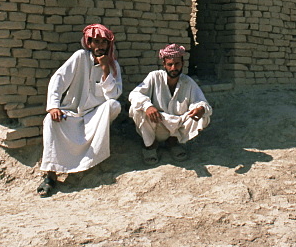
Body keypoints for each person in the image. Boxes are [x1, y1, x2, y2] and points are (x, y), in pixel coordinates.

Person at [38, 24, 122, 197]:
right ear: (89, 43)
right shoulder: (80, 57)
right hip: (73, 112)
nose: (100, 46)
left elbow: (113, 94)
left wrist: (106, 69)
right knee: (50, 121)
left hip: (95, 116)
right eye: (96, 42)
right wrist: (54, 105)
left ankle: (93, 165)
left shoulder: (114, 66)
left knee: (114, 105)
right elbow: (59, 79)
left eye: (104, 43)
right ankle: (50, 175)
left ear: (108, 45)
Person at [128, 43, 211, 164]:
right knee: (136, 109)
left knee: (203, 115)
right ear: (164, 65)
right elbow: (134, 94)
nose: (173, 68)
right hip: (155, 124)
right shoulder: (154, 77)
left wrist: (200, 109)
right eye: (170, 64)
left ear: (182, 64)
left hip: (175, 127)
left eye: (177, 64)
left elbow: (201, 102)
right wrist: (148, 106)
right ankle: (150, 145)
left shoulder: (188, 82)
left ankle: (173, 142)